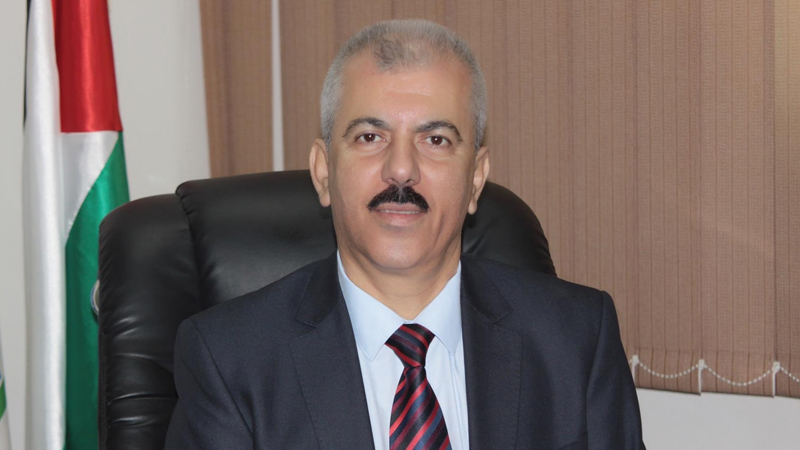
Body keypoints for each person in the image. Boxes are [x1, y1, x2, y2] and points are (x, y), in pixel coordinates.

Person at [164, 19, 645, 450]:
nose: (401, 169)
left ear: (476, 178)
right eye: (370, 137)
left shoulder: (577, 339)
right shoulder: (229, 360)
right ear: (324, 171)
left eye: (435, 140)